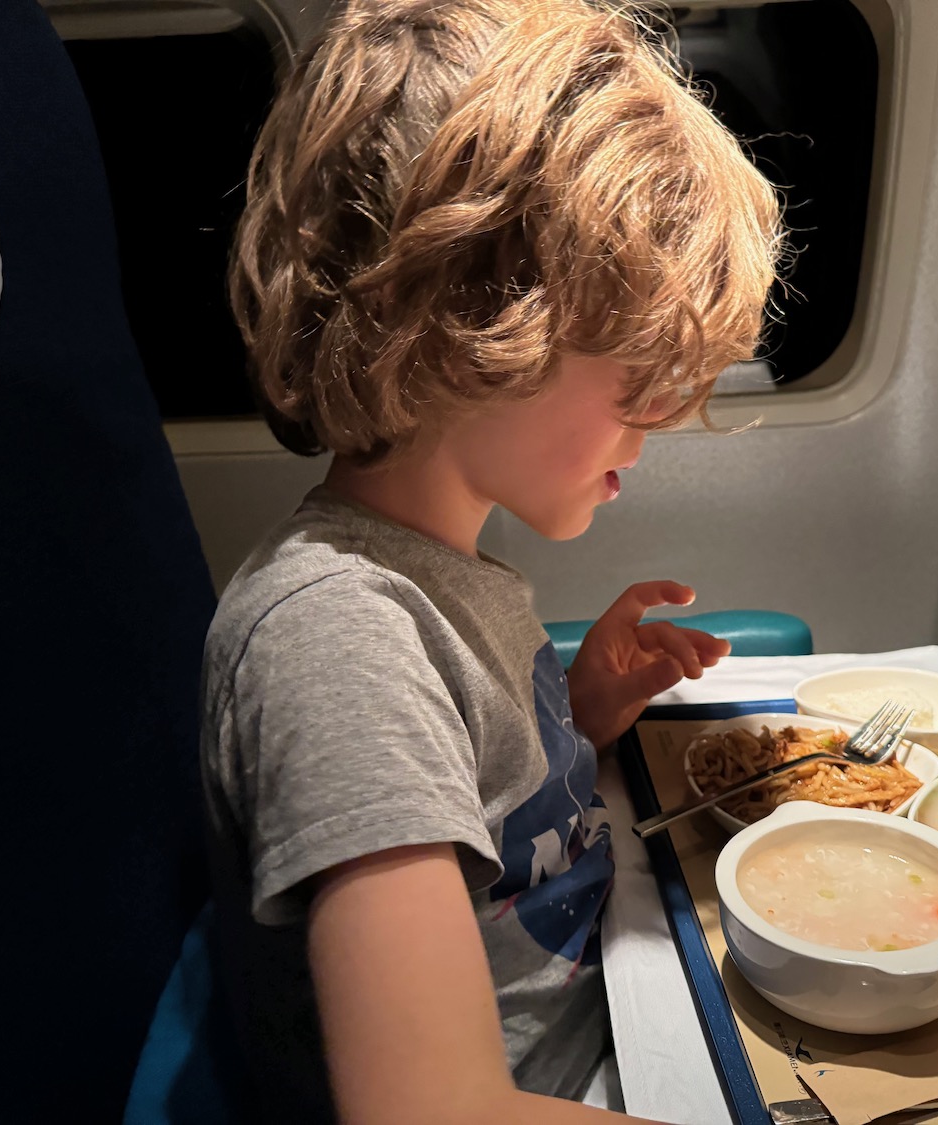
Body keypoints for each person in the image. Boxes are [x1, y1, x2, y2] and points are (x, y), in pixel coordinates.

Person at [200, 1, 782, 1121]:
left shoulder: (443, 578)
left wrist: (585, 710)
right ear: (473, 318)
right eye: (639, 373)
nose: (657, 425)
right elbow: (434, 1108)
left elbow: (485, 808)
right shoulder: (338, 636)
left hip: (619, 1005)